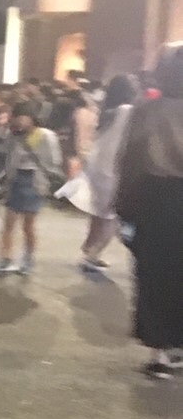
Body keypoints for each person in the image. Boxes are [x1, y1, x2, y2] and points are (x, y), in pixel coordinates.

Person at [116, 46, 183, 379]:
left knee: (154, 274)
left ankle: (159, 350)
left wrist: (123, 204)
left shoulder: (147, 111)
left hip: (155, 199)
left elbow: (129, 159)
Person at [63, 74, 137, 272]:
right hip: (112, 168)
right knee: (111, 216)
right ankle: (93, 254)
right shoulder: (126, 111)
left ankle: (89, 250)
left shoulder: (105, 110)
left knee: (99, 214)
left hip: (97, 165)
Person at [0, 101, 62, 276]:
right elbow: (0, 145)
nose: (20, 121)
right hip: (16, 179)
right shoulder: (14, 135)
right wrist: (4, 125)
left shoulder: (44, 135)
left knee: (28, 225)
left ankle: (28, 259)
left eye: (23, 117)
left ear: (32, 117)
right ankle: (6, 258)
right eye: (17, 117)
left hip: (34, 180)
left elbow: (54, 160)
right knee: (8, 222)